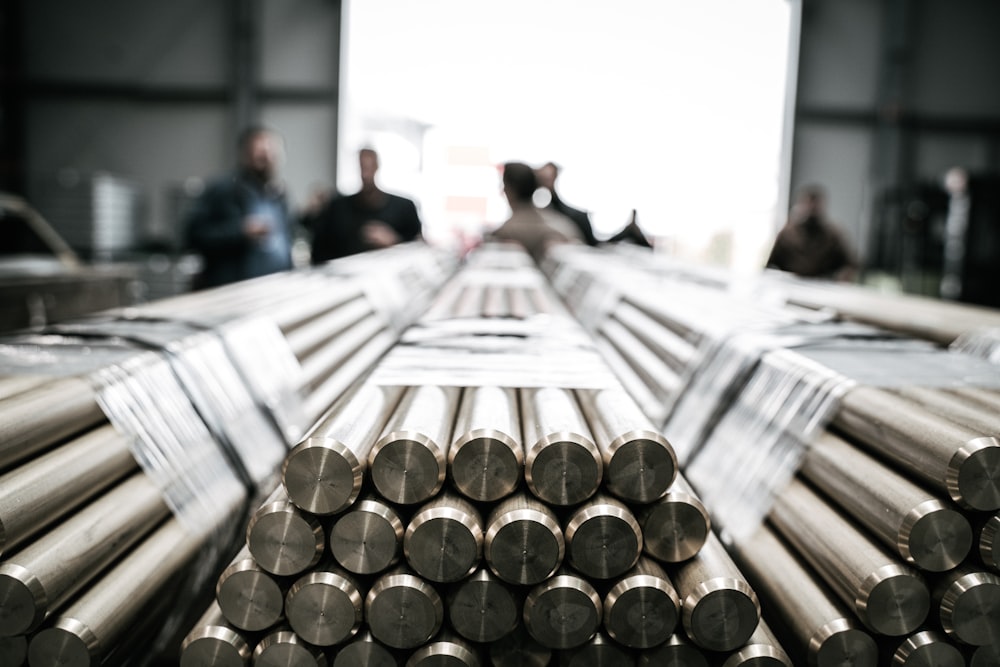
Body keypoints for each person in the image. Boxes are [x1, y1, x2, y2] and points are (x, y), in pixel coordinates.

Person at [183, 125, 294, 289]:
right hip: (233, 293)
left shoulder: (278, 196)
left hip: (272, 291)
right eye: (261, 155)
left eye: (273, 154)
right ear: (246, 155)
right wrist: (240, 231)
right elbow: (193, 235)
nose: (268, 159)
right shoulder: (223, 190)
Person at [310, 148, 423, 263]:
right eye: (362, 168)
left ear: (376, 167)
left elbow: (419, 249)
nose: (365, 175)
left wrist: (395, 242)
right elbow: (320, 251)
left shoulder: (403, 207)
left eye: (369, 167)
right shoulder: (338, 208)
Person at [489, 161, 583, 264]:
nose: (502, 190)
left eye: (504, 185)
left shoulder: (505, 232)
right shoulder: (564, 225)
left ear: (511, 191)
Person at [766, 184, 857, 281]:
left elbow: (850, 264)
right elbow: (771, 265)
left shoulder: (833, 234)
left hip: (821, 287)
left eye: (815, 204)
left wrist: (844, 276)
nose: (811, 208)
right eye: (808, 203)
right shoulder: (787, 234)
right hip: (791, 285)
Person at [535, 161, 598, 246]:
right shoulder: (533, 212)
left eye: (549, 179)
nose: (547, 181)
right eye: (544, 179)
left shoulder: (576, 216)